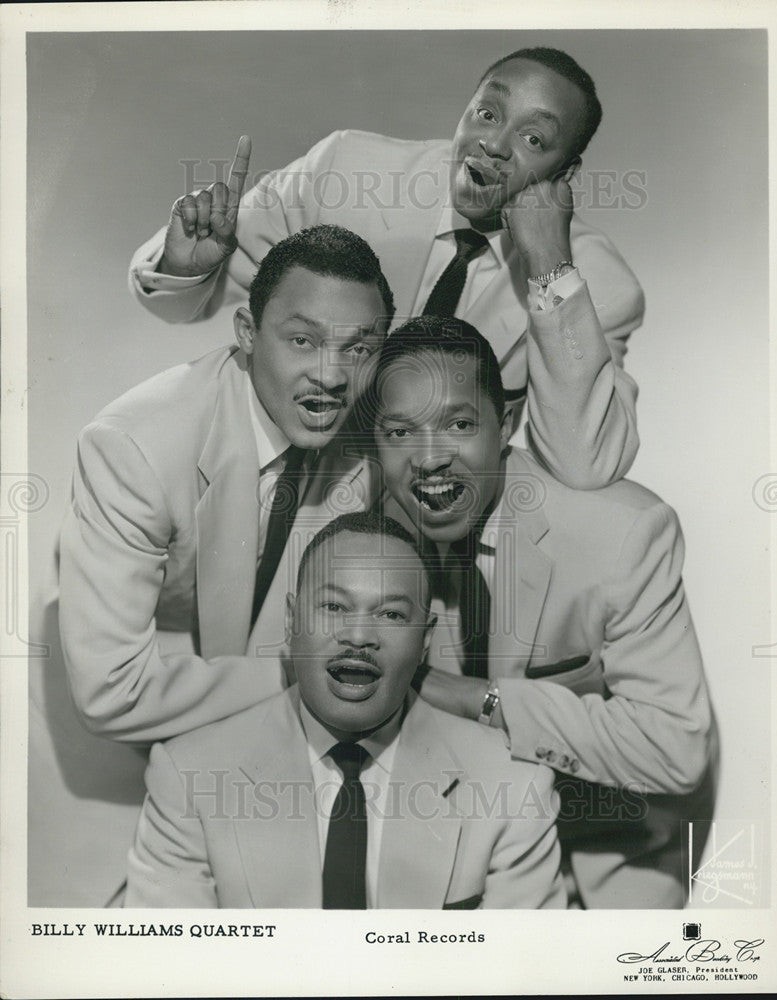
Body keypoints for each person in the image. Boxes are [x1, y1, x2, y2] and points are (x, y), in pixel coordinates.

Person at [129, 47, 644, 489]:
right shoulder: (347, 171)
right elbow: (186, 305)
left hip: (428, 518)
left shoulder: (595, 283)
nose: (493, 144)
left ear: (567, 173)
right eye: (487, 114)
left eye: (534, 139)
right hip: (281, 478)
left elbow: (584, 464)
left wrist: (549, 268)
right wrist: (188, 264)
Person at [369, 315, 716, 908]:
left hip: (624, 829)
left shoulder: (623, 534)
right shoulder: (370, 539)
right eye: (400, 433)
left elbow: (676, 750)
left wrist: (474, 698)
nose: (428, 460)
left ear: (506, 424)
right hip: (480, 830)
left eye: (457, 424)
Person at [124, 513, 565, 909]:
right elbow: (172, 974)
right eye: (334, 607)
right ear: (293, 619)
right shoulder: (188, 777)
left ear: (426, 638)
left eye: (391, 614)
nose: (358, 636)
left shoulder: (513, 786)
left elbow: (517, 977)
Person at [59, 224, 392, 745]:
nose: (330, 376)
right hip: (139, 689)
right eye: (303, 340)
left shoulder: (378, 438)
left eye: (358, 349)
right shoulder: (133, 448)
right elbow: (110, 692)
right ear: (247, 331)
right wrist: (302, 674)